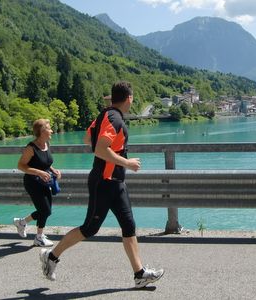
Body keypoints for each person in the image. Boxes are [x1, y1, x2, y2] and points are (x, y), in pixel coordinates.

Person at [39, 81, 164, 288]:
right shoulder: (114, 118)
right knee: (89, 228)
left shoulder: (104, 115)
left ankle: (139, 274)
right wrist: (127, 163)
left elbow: (88, 138)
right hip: (103, 183)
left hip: (116, 183)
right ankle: (51, 257)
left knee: (129, 226)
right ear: (129, 99)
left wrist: (113, 154)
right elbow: (98, 148)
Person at [13, 119, 62, 247]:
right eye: (49, 128)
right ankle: (38, 237)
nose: (51, 130)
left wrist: (54, 170)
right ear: (42, 131)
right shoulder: (31, 148)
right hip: (32, 182)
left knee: (47, 210)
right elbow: (20, 166)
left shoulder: (47, 144)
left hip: (45, 182)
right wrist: (39, 172)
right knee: (44, 210)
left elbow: (46, 164)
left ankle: (22, 223)